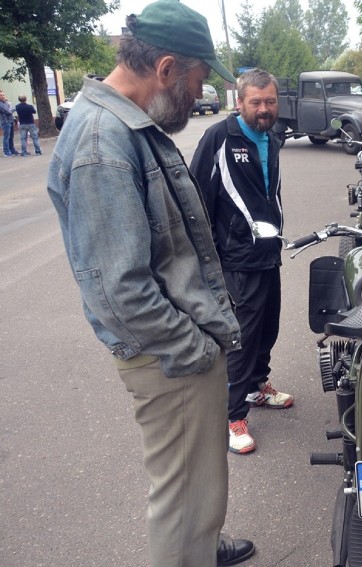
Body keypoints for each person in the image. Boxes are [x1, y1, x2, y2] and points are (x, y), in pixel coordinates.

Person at [45, 1, 255, 565]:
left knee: (197, 486)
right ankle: (189, 551)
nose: (199, 93)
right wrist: (195, 349)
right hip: (168, 356)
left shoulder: (125, 124)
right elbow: (119, 290)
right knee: (181, 497)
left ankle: (201, 548)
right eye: (198, 79)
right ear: (165, 69)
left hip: (176, 347)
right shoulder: (102, 143)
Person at [190, 68, 292, 455]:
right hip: (234, 256)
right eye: (256, 102)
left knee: (268, 327)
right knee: (243, 336)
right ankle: (233, 416)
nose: (264, 109)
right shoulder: (220, 136)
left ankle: (257, 387)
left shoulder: (273, 137)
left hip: (268, 251)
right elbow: (196, 196)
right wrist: (209, 255)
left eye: (270, 101)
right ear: (240, 102)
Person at [0, 90, 19, 156]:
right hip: (5, 122)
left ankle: (12, 150)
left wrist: (11, 109)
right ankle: (6, 152)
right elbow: (8, 111)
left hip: (11, 121)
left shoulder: (6, 103)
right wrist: (12, 109)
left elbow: (10, 109)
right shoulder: (0, 104)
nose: (2, 96)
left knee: (11, 136)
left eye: (3, 95)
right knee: (6, 137)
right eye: (1, 95)